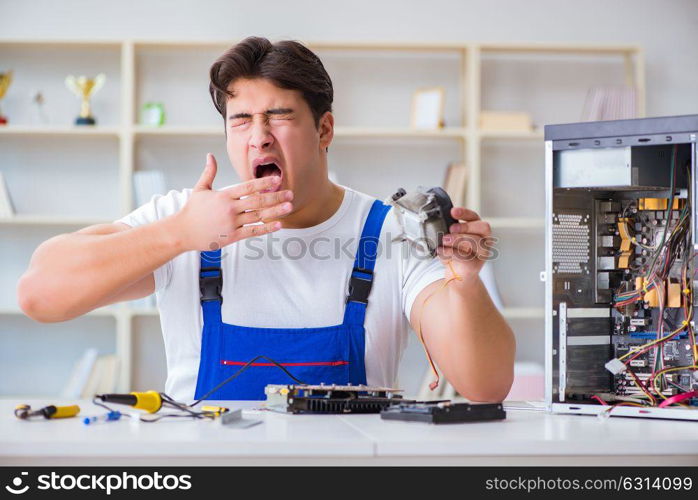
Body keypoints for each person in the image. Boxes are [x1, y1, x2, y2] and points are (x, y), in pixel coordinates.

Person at [17, 37, 515, 402]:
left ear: (325, 129)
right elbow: (40, 294)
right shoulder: (180, 219)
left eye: (278, 116)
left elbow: (486, 385)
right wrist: (178, 235)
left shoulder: (390, 232)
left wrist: (466, 284)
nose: (258, 137)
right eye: (241, 120)